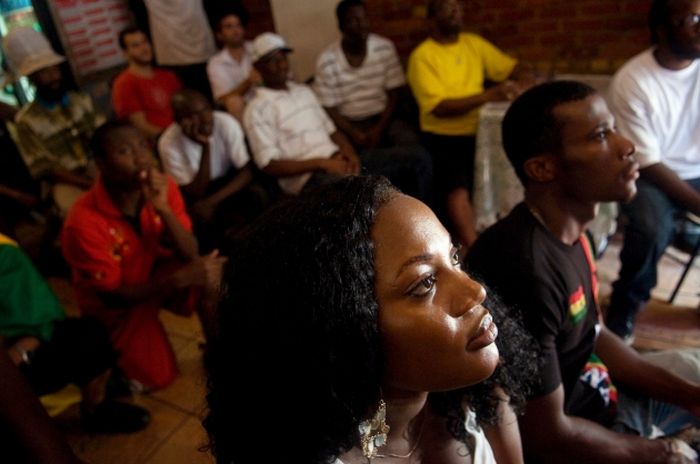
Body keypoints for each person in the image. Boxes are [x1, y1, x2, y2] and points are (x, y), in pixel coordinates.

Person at [204, 175, 538, 463]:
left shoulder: (471, 391)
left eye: (454, 258)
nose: (475, 291)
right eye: (425, 283)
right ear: (345, 327)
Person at [467, 80, 700, 463]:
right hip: (582, 436)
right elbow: (549, 436)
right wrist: (664, 452)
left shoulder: (574, 235)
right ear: (542, 167)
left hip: (601, 395)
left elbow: (594, 333)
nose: (628, 147)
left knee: (693, 368)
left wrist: (690, 397)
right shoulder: (525, 267)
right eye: (601, 135)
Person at [62, 121, 225, 390]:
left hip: (154, 276)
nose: (140, 157)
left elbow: (190, 251)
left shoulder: (162, 186)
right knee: (157, 379)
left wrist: (163, 209)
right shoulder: (82, 221)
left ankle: (219, 353)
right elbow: (111, 296)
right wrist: (175, 281)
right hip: (118, 306)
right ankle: (112, 370)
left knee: (210, 274)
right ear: (100, 164)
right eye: (125, 151)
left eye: (142, 146)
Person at [606, 0, 700, 339]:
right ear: (661, 30)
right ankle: (625, 308)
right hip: (652, 175)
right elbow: (647, 161)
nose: (699, 26)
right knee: (650, 227)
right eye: (690, 19)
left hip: (696, 170)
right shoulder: (633, 80)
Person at [407, 0, 534, 250]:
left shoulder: (473, 44)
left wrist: (522, 82)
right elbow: (439, 108)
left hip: (482, 131)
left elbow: (514, 66)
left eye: (458, 7)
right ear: (431, 19)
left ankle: (509, 235)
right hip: (443, 134)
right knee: (457, 186)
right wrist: (489, 95)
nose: (456, 12)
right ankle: (475, 249)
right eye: (447, 7)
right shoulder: (422, 57)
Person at [244, 32, 432, 201]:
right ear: (258, 67)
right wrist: (321, 163)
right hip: (308, 178)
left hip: (339, 161)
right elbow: (268, 165)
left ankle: (420, 224)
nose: (281, 65)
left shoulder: (303, 91)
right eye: (272, 60)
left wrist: (350, 154)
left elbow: (332, 131)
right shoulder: (256, 108)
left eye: (283, 58)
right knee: (359, 190)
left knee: (417, 158)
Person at [0, 233, 150, 437]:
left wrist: (13, 359)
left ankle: (95, 410)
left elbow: (36, 325)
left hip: (13, 360)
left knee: (88, 336)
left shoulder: (4, 252)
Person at [4, 27, 102, 215]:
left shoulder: (81, 100)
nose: (53, 76)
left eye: (55, 69)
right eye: (45, 73)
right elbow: (46, 169)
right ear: (32, 79)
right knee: (77, 212)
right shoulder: (26, 121)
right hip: (67, 182)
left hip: (98, 168)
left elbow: (104, 136)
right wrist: (89, 184)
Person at [159, 89, 265, 251]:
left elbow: (246, 172)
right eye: (191, 115)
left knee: (256, 195)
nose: (203, 118)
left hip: (229, 181)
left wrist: (212, 201)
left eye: (206, 110)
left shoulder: (225, 123)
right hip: (197, 189)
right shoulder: (168, 143)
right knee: (201, 217)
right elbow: (195, 192)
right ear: (178, 121)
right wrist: (205, 146)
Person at [112, 27, 182, 140]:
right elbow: (140, 127)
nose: (144, 48)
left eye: (145, 42)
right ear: (125, 53)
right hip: (159, 143)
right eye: (136, 45)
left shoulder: (168, 75)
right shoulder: (124, 83)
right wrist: (172, 139)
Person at [206, 5, 261, 120]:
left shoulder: (257, 49)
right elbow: (222, 99)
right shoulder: (216, 63)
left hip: (264, 101)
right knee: (234, 102)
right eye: (229, 27)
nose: (235, 31)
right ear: (220, 35)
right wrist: (248, 82)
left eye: (238, 25)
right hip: (241, 110)